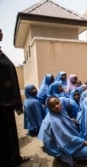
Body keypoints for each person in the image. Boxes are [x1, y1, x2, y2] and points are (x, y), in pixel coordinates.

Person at [38, 96, 87, 167]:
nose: (57, 106)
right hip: (69, 148)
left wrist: (71, 121)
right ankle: (73, 158)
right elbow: (69, 139)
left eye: (57, 103)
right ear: (50, 109)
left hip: (72, 143)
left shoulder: (59, 113)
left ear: (60, 101)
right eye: (53, 106)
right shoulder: (55, 121)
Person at [0, 28, 30, 166]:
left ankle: (13, 158)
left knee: (10, 135)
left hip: (6, 105)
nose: (1, 32)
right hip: (2, 104)